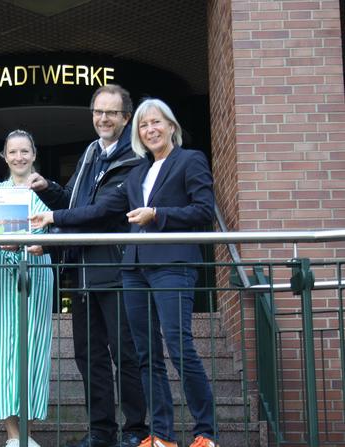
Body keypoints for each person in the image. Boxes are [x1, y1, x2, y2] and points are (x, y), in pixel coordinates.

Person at [26, 84, 149, 447]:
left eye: (111, 112)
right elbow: (74, 201)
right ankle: (101, 432)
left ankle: (136, 430)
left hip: (115, 269)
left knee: (125, 353)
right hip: (79, 272)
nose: (103, 119)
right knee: (89, 356)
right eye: (98, 112)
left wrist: (52, 217)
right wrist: (47, 187)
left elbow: (103, 211)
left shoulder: (135, 159)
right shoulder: (90, 153)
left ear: (126, 118)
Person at [115, 98, 217, 447]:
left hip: (173, 264)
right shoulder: (136, 173)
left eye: (156, 122)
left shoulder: (191, 160)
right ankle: (162, 436)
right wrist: (53, 216)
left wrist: (157, 214)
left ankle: (206, 433)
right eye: (143, 126)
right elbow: (103, 209)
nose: (150, 130)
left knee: (179, 346)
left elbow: (203, 211)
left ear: (171, 126)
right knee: (146, 354)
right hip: (135, 268)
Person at [0, 130, 54, 447]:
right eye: (12, 152)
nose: (19, 157)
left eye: (24, 151)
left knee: (32, 347)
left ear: (34, 153)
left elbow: (63, 225)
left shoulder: (48, 191)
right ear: (4, 157)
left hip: (37, 268)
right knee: (1, 348)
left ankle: (28, 432)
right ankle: (13, 435)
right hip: (0, 270)